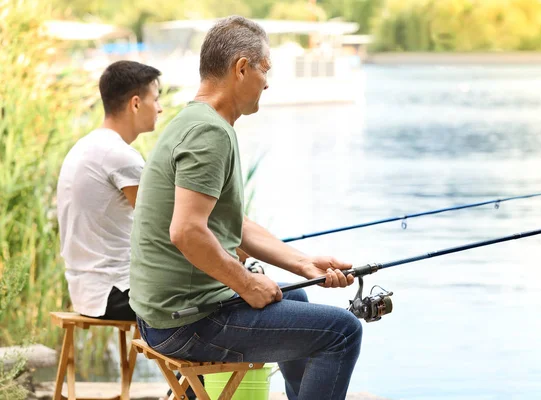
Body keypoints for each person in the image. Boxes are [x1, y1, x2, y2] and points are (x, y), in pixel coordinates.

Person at [129, 16, 363, 400]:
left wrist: (303, 264)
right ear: (241, 68)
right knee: (342, 332)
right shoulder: (210, 134)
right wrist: (247, 282)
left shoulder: (194, 120)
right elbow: (187, 231)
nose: (267, 83)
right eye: (264, 69)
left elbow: (235, 225)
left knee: (298, 294)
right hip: (185, 323)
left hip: (165, 313)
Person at [57, 60, 162, 321]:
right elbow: (162, 225)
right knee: (217, 295)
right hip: (116, 293)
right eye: (156, 99)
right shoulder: (120, 155)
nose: (159, 109)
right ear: (136, 103)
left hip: (86, 292)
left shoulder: (86, 145)